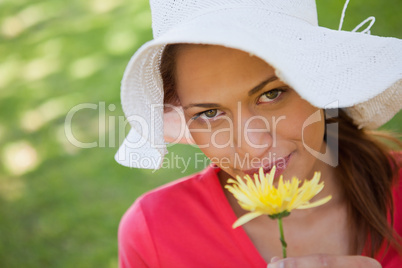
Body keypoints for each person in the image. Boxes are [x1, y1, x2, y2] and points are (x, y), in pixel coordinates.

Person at [115, 0, 402, 267]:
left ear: (317, 83)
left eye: (271, 94)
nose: (253, 147)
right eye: (210, 113)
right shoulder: (154, 233)